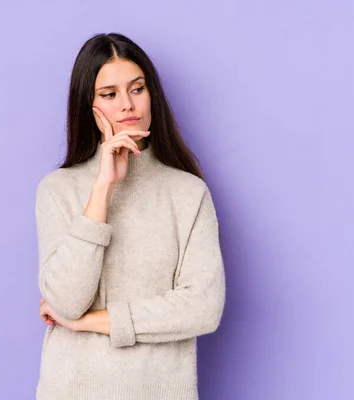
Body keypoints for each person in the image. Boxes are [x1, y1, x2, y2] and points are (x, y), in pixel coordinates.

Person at [34, 32, 226, 400]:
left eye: (137, 89)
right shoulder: (58, 190)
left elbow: (203, 307)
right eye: (109, 95)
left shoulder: (187, 193)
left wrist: (90, 322)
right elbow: (66, 301)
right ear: (88, 106)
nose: (127, 105)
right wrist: (103, 188)